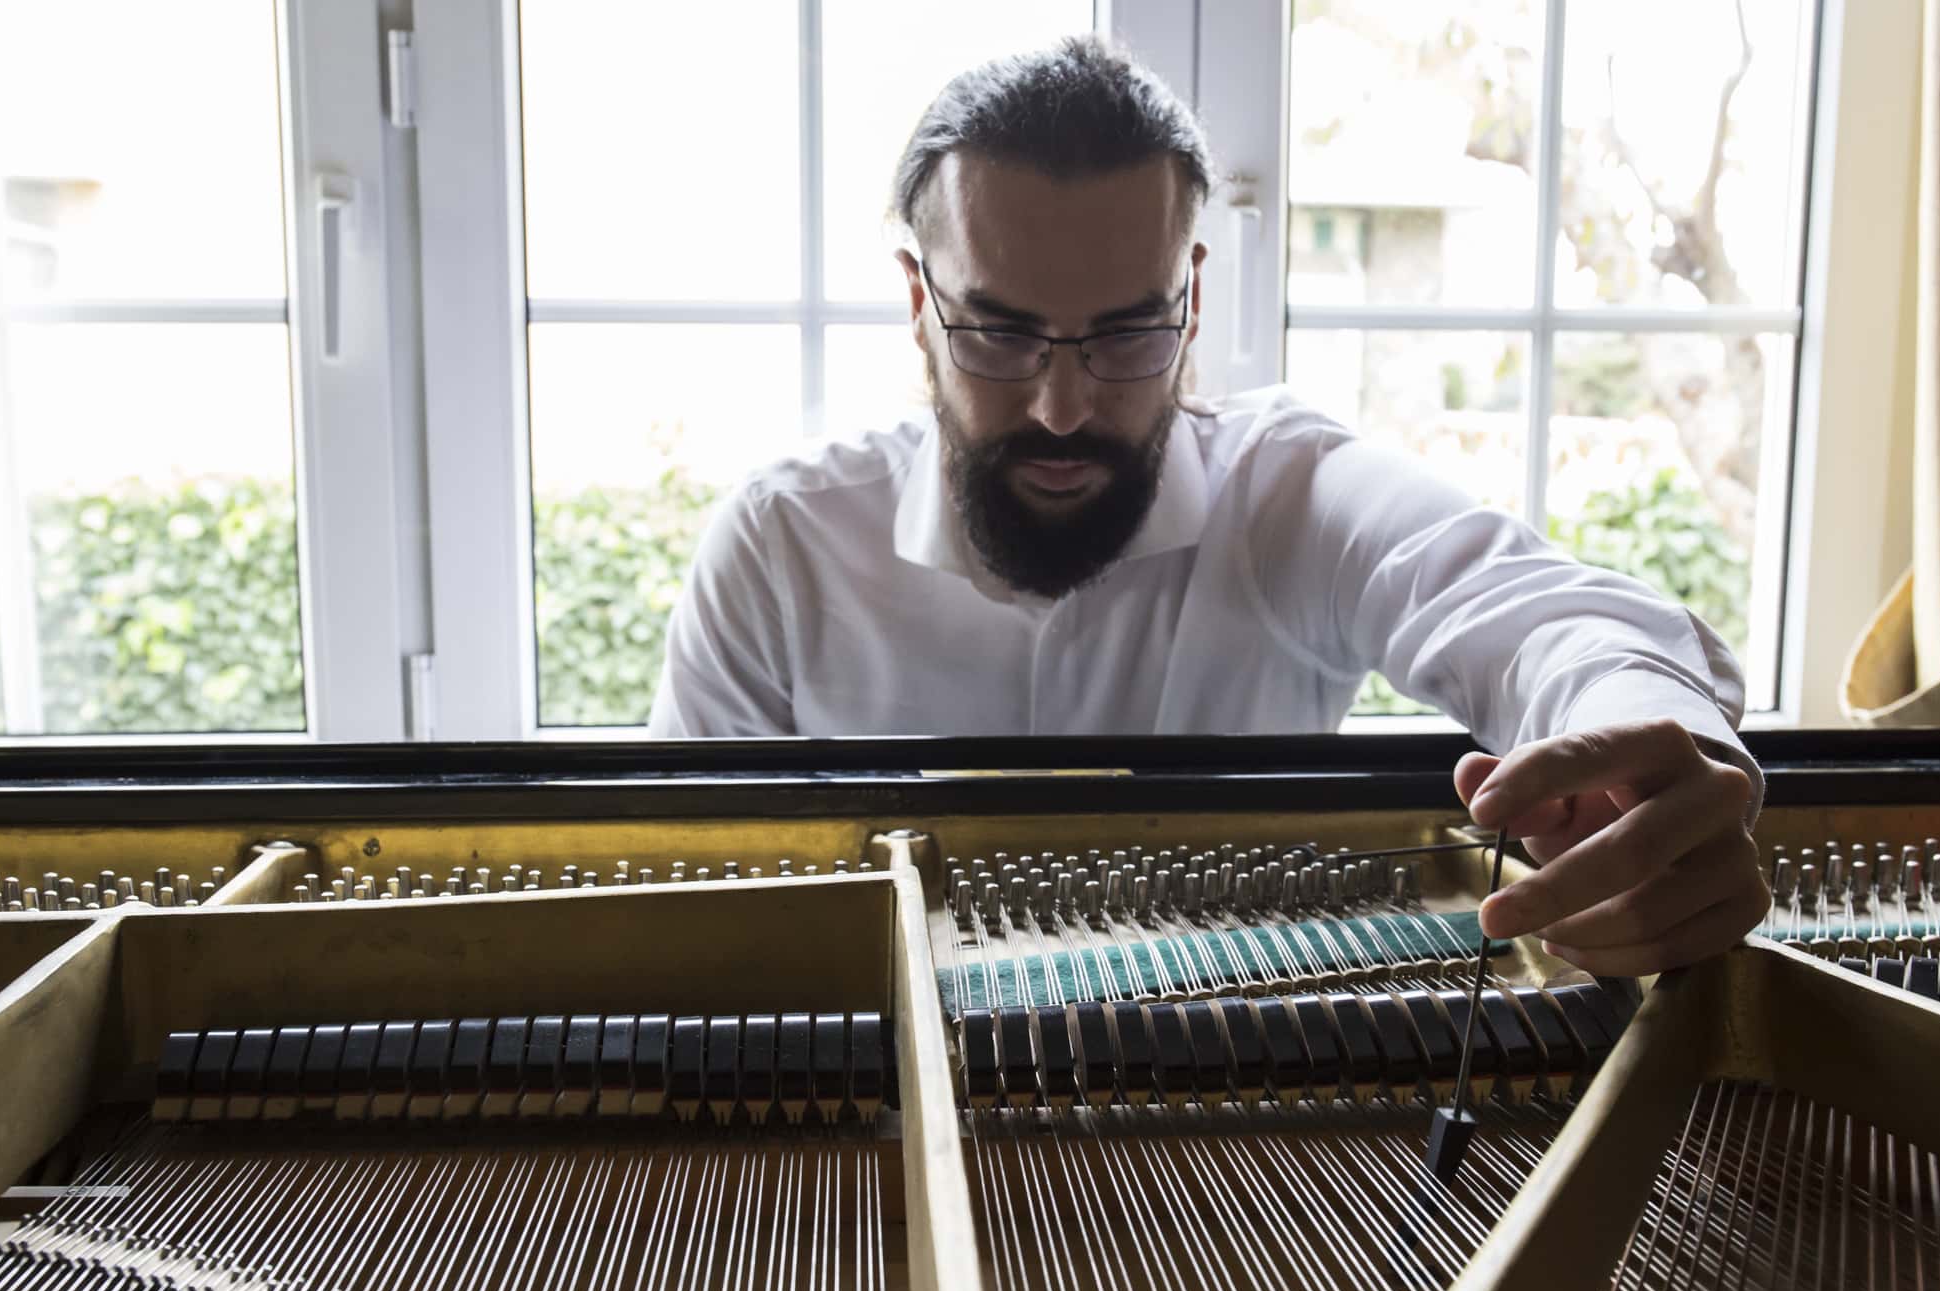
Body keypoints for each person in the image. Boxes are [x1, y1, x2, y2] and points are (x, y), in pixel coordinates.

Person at [650, 37, 1771, 976]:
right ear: (916, 304)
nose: (1060, 406)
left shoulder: (1290, 494)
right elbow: (683, 908)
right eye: (999, 332)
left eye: (1126, 332)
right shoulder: (782, 546)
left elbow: (1534, 609)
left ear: (1188, 303)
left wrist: (1636, 729)